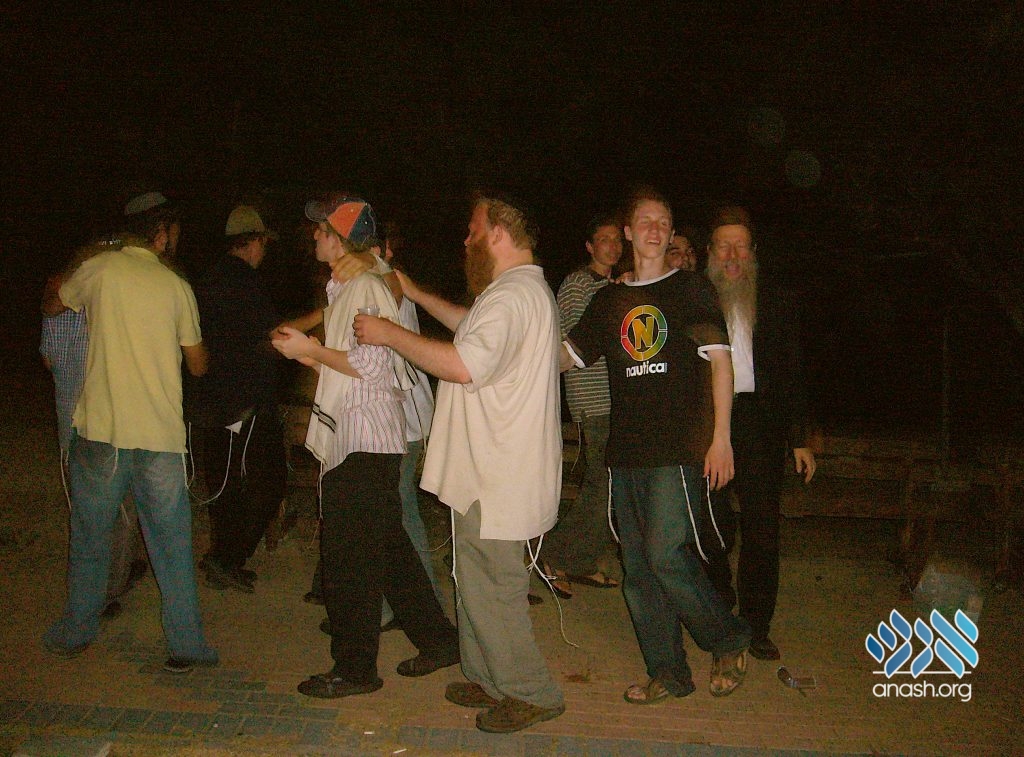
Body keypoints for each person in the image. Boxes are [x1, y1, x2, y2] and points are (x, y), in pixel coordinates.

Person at [353, 193, 566, 733]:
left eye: (473, 230)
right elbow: (471, 328)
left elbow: (462, 363)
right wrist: (416, 293)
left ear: (498, 233)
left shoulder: (513, 297)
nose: (466, 240)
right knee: (472, 582)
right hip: (487, 471)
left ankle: (530, 691)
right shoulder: (514, 292)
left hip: (499, 474)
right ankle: (489, 676)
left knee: (494, 588)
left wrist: (389, 334)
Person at [561, 187, 751, 703]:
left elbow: (721, 363)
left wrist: (721, 439)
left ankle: (728, 638)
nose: (654, 229)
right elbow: (565, 356)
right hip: (624, 452)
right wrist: (505, 354)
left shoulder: (690, 289)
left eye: (663, 222)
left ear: (670, 234)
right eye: (645, 220)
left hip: (677, 449)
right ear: (628, 231)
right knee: (638, 572)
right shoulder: (609, 301)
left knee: (667, 555)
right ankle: (668, 671)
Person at [273, 195, 458, 699]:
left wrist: (310, 348)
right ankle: (440, 641)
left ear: (342, 241)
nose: (314, 237)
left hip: (365, 442)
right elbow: (350, 365)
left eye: (323, 231)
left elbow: (371, 368)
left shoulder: (366, 287)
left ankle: (355, 669)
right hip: (359, 440)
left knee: (348, 561)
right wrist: (307, 355)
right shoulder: (346, 287)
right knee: (390, 551)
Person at [41, 192, 218, 672]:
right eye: (174, 232)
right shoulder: (176, 285)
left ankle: (75, 632)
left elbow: (53, 305)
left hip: (102, 428)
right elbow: (198, 365)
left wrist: (89, 256)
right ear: (161, 233)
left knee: (91, 538)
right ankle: (187, 645)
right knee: (172, 545)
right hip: (159, 435)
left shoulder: (99, 269)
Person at [702, 206, 816, 662]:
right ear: (710, 253)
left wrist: (799, 438)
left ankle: (756, 624)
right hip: (708, 424)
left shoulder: (777, 300)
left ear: (752, 252)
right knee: (710, 525)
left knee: (763, 530)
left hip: (760, 424)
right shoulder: (694, 297)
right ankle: (717, 607)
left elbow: (793, 371)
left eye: (740, 246)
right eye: (723, 246)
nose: (732, 255)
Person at [40, 236, 148, 619]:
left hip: (71, 425)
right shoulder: (112, 305)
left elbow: (49, 360)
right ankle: (105, 592)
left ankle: (94, 587)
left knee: (87, 514)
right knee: (120, 513)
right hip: (110, 425)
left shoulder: (57, 304)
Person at [187, 205, 287, 594]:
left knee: (226, 484)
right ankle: (225, 558)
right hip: (243, 402)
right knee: (268, 482)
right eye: (264, 243)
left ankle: (224, 555)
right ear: (254, 241)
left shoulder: (209, 279)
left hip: (214, 400)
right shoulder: (244, 282)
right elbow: (271, 338)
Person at [541, 213, 623, 598]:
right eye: (603, 239)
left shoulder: (614, 285)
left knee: (609, 483)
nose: (612, 246)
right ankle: (555, 555)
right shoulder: (578, 284)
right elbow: (574, 340)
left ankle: (582, 559)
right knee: (602, 482)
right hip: (594, 395)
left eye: (617, 239)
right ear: (590, 246)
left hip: (619, 398)